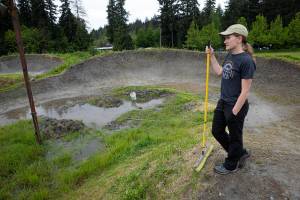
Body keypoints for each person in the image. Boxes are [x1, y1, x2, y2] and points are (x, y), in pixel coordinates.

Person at [206, 24, 256, 175]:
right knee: (216, 130)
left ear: (239, 38)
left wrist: (235, 110)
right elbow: (220, 72)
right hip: (223, 102)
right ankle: (239, 153)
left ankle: (231, 164)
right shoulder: (230, 55)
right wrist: (212, 56)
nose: (225, 41)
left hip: (236, 105)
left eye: (228, 37)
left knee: (235, 136)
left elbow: (246, 90)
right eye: (225, 38)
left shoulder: (246, 61)